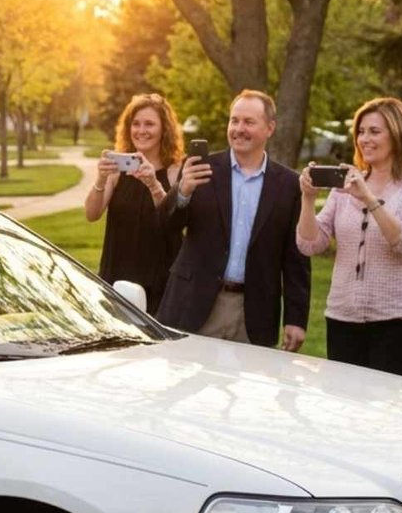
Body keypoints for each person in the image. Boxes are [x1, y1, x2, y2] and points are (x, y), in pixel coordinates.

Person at [295, 97, 402, 378]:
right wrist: (307, 199)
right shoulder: (345, 187)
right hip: (342, 317)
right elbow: (310, 243)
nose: (365, 139)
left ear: (399, 135)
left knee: (387, 413)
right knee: (347, 410)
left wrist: (369, 198)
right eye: (361, 132)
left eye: (375, 131)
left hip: (398, 321)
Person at [159, 89, 309, 350]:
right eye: (234, 120)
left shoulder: (288, 184)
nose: (239, 129)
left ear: (270, 128)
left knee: (248, 390)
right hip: (194, 306)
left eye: (249, 122)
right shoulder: (199, 168)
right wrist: (182, 192)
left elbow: (296, 257)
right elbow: (164, 227)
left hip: (254, 313)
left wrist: (296, 319)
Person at [85, 93, 183, 313]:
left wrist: (153, 183)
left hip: (161, 280)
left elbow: (175, 221)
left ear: (164, 129)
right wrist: (101, 178)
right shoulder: (118, 170)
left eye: (149, 124)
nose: (141, 130)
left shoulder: (177, 170)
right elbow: (91, 214)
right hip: (117, 276)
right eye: (136, 124)